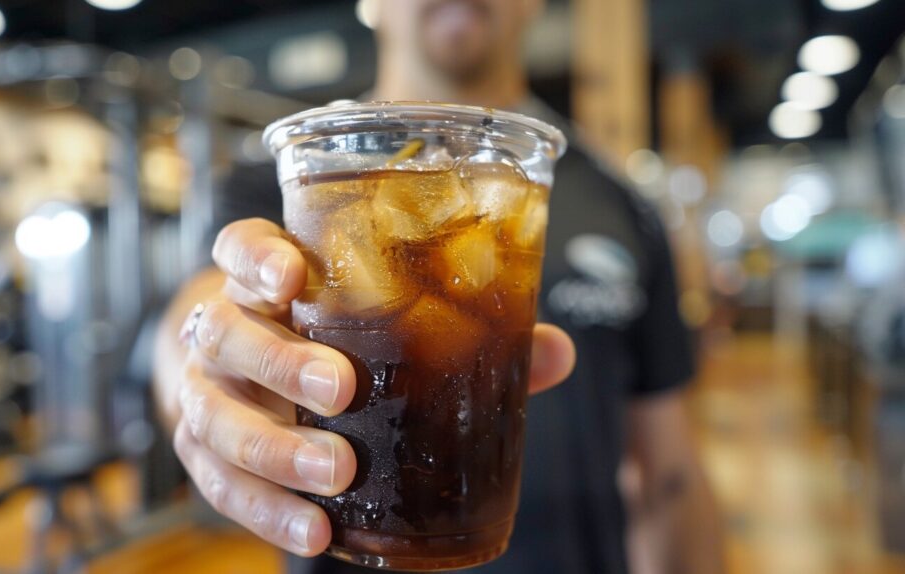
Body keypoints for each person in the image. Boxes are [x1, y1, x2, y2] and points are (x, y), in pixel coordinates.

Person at [154, 0, 725, 572]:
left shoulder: (622, 205)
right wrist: (211, 368)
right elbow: (202, 310)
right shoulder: (295, 179)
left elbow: (669, 473)